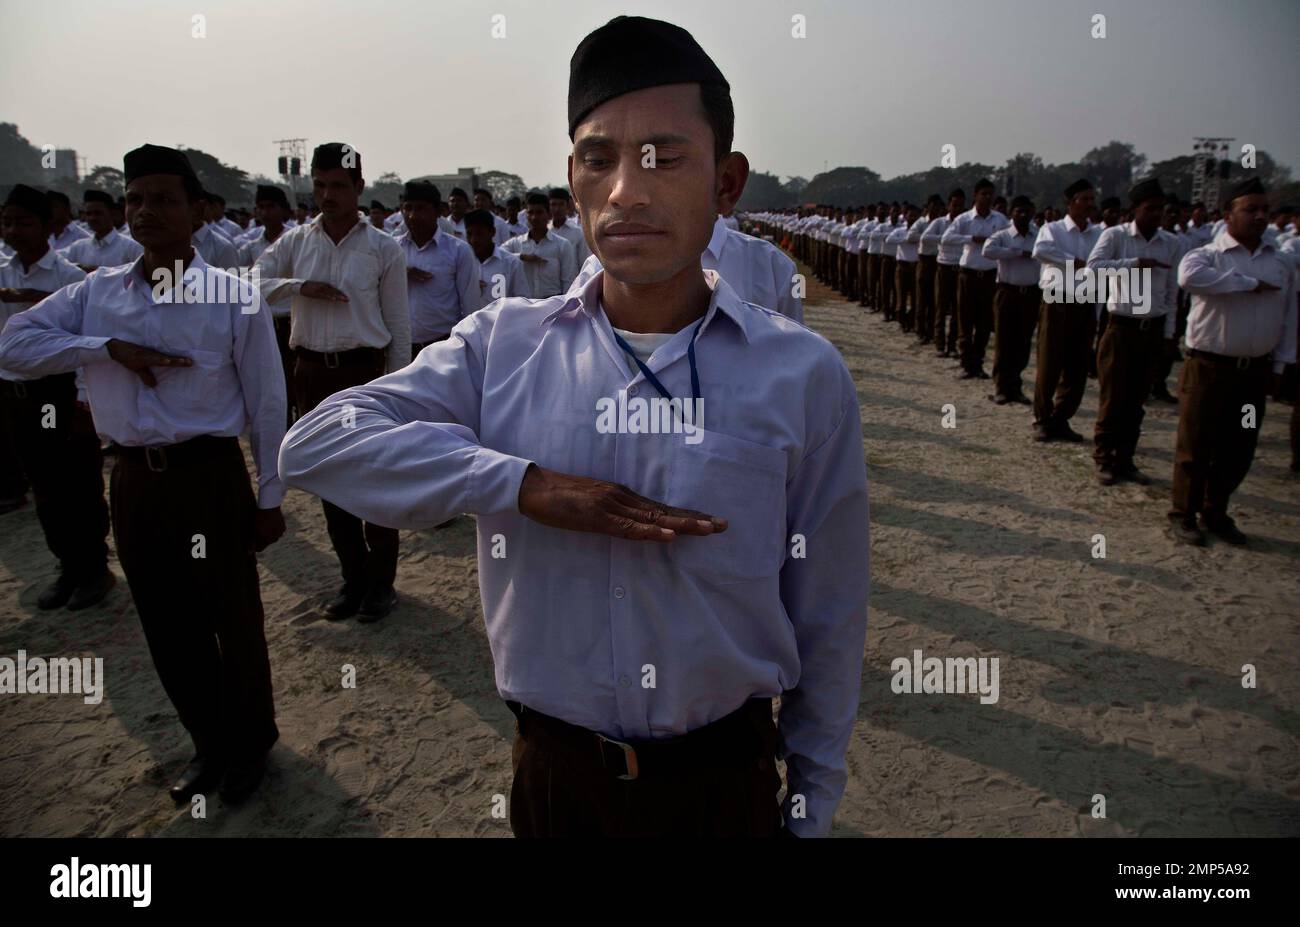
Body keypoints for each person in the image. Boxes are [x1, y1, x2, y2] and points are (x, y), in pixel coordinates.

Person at [279, 15, 869, 839]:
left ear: (728, 183)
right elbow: (317, 441)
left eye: (663, 156)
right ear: (573, 177)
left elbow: (830, 613)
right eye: (600, 159)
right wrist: (521, 484)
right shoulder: (503, 346)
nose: (627, 189)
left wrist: (807, 809)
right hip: (558, 781)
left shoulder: (800, 375)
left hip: (722, 785)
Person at [0, 145, 288, 803]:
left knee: (232, 618)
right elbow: (12, 347)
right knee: (167, 621)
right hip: (132, 481)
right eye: (136, 199)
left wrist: (270, 496)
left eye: (163, 198)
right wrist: (104, 348)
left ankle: (250, 743)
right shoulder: (98, 293)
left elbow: (269, 403)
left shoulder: (231, 298)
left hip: (208, 476)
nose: (145, 211)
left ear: (196, 212)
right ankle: (207, 743)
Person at [255, 141, 410, 620]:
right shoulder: (297, 243)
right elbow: (249, 281)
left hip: (365, 373)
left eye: (338, 186)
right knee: (330, 482)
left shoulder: (383, 249)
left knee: (374, 481)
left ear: (359, 188)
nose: (328, 195)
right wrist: (300, 287)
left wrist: (400, 391)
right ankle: (353, 579)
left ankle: (381, 584)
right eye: (320, 185)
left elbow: (399, 326)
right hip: (311, 373)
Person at [0, 184, 115, 610]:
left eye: (24, 221)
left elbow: (88, 343)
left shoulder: (67, 277)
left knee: (78, 483)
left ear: (48, 227)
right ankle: (68, 566)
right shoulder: (2, 271)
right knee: (43, 484)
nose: (13, 230)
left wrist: (85, 401)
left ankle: (94, 569)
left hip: (59, 390)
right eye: (7, 221)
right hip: (16, 391)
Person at [1168, 177, 1296, 546]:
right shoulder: (1205, 256)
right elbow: (1189, 279)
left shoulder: (1280, 263)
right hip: (1209, 368)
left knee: (1240, 444)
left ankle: (1216, 511)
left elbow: (1288, 318)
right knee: (1196, 443)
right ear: (1227, 215)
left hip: (1254, 373)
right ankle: (1184, 513)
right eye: (1250, 209)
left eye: (1264, 210)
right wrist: (1247, 283)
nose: (1259, 217)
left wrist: (1280, 366)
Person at [1086, 179, 1181, 485]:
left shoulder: (1171, 243)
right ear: (1135, 209)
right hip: (1121, 327)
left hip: (1151, 330)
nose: (1156, 214)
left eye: (1160, 209)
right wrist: (1134, 264)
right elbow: (1094, 267)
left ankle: (1125, 458)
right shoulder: (1116, 235)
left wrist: (1168, 335)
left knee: (1137, 400)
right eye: (1149, 209)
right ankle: (1104, 457)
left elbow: (1171, 293)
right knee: (1113, 397)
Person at [1030, 178, 1101, 440]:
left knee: (1077, 366)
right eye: (1084, 199)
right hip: (1057, 301)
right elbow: (1041, 251)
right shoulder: (1053, 229)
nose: (1089, 205)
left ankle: (1061, 418)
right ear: (1070, 203)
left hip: (1085, 302)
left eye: (1092, 200)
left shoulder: (1099, 234)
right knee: (1049, 362)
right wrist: (1075, 263)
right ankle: (1042, 418)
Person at [395, 181, 479, 357]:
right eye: (407, 208)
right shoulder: (392, 249)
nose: (412, 215)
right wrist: (403, 271)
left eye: (420, 208)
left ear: (438, 212)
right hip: (401, 349)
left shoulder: (458, 251)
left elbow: (470, 306)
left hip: (443, 347)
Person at [943, 179, 1007, 379]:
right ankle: (966, 363)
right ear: (975, 196)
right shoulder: (964, 219)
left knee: (984, 322)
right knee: (965, 319)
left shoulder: (1000, 220)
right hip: (968, 275)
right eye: (984, 194)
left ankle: (978, 363)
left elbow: (1007, 241)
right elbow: (946, 239)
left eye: (990, 194)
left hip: (989, 276)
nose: (987, 198)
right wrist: (971, 239)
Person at [981, 195, 1039, 404]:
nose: (1023, 215)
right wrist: (1014, 252)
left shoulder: (1040, 235)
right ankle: (1001, 387)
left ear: (1033, 212)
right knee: (1004, 341)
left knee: (1023, 343)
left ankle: (1015, 386)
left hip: (1032, 294)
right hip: (1008, 292)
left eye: (1027, 211)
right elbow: (987, 251)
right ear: (1011, 214)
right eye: (1018, 211)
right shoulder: (1003, 235)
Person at [502, 192, 578, 297]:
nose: (534, 217)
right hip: (524, 306)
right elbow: (498, 255)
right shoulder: (516, 243)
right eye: (530, 213)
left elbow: (568, 282)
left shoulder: (562, 245)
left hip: (552, 305)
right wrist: (521, 256)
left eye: (539, 212)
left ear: (549, 215)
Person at [61, 190, 144, 271]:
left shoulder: (131, 248)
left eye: (98, 213)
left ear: (112, 213)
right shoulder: (78, 248)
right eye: (88, 214)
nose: (92, 218)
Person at [926, 189, 965, 358]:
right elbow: (925, 238)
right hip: (944, 267)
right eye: (954, 205)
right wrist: (945, 238)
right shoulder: (940, 223)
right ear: (949, 205)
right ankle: (940, 343)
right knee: (940, 307)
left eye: (960, 206)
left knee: (958, 309)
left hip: (961, 268)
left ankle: (952, 345)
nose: (957, 208)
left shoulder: (966, 222)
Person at [464, 208, 527, 308]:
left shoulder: (512, 263)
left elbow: (522, 302)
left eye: (479, 234)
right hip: (468, 323)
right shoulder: (461, 262)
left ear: (492, 232)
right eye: (469, 234)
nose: (474, 240)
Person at [547, 187, 592, 264]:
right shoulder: (545, 231)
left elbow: (584, 261)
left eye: (561, 204)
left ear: (567, 206)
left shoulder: (578, 232)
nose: (557, 209)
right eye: (553, 204)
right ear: (548, 206)